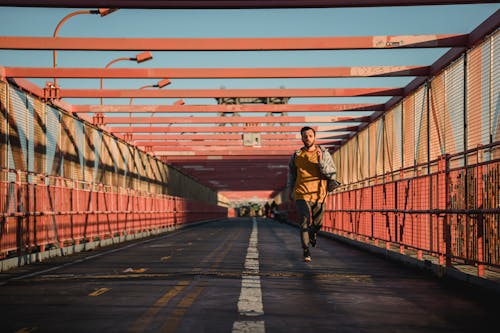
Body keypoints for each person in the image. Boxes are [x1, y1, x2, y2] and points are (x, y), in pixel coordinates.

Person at [287, 126, 337, 262]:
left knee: (317, 223)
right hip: (301, 193)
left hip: (319, 193)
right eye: (305, 136)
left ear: (314, 137)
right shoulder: (296, 155)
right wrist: (289, 190)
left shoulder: (324, 153)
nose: (307, 138)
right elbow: (291, 174)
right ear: (302, 138)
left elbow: (332, 172)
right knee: (304, 221)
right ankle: (306, 251)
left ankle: (313, 234)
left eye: (310, 135)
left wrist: (321, 161)